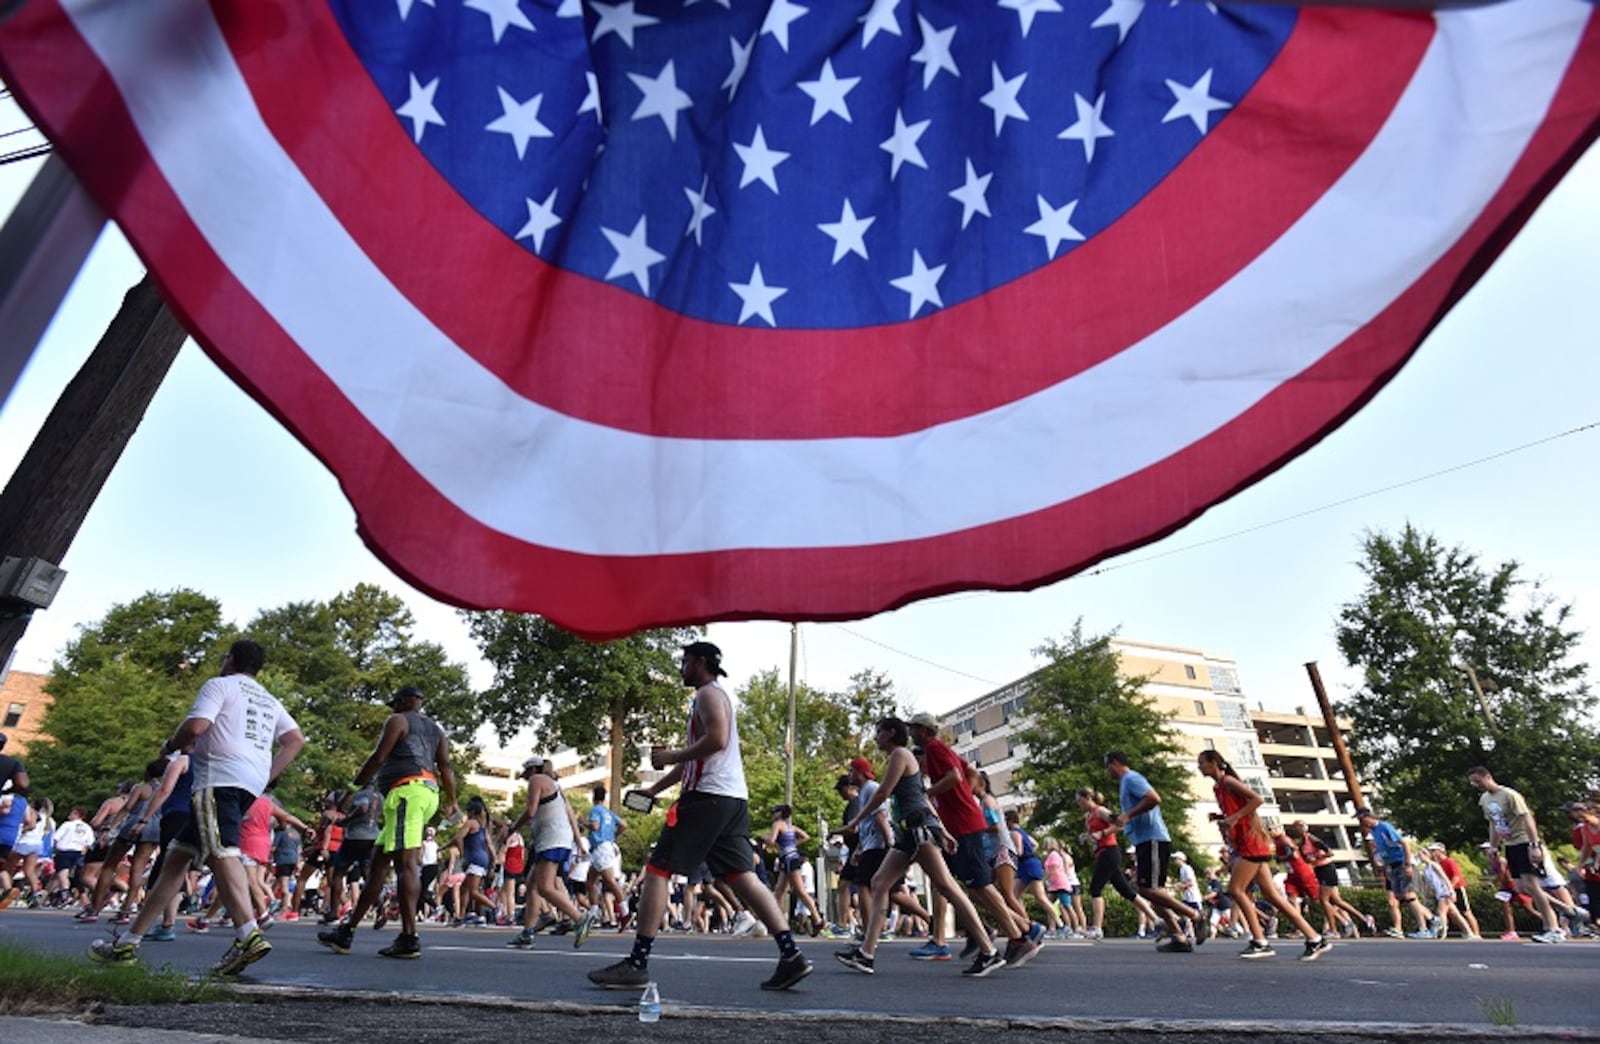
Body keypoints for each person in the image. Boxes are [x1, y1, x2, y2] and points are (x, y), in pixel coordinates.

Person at [588, 641, 812, 991]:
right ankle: (791, 955)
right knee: (743, 876)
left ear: (701, 663)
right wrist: (655, 788)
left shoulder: (708, 694)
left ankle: (637, 962)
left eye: (686, 661)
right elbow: (702, 755)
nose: (681, 667)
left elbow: (717, 740)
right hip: (732, 800)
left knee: (658, 868)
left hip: (707, 798)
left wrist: (672, 755)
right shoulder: (714, 695)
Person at [89, 640, 305, 976]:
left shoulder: (220, 685)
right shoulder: (269, 700)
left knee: (222, 850)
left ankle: (248, 934)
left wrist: (170, 747)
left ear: (230, 659)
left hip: (219, 778)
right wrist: (267, 776)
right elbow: (295, 740)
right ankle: (128, 943)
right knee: (176, 859)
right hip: (249, 783)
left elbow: (195, 728)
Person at [834, 717, 1008, 977]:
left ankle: (988, 950)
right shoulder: (903, 756)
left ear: (891, 733)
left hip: (917, 829)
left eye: (879, 732)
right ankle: (866, 954)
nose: (876, 738)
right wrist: (945, 831)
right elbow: (921, 796)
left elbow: (883, 793)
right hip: (910, 830)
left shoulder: (901, 754)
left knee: (947, 886)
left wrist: (855, 823)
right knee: (880, 882)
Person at [317, 685, 457, 958]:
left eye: (395, 703)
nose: (393, 708)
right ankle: (347, 932)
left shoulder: (398, 720)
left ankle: (409, 937)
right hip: (424, 793)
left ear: (406, 702)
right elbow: (446, 766)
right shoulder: (436, 730)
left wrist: (350, 791)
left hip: (408, 793)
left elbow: (378, 757)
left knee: (406, 865)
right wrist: (451, 801)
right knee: (379, 863)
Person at [906, 712, 1037, 966]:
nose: (911, 734)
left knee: (980, 887)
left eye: (913, 729)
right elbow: (969, 772)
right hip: (963, 825)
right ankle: (1014, 931)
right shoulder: (943, 750)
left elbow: (955, 776)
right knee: (970, 887)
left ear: (923, 730)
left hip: (965, 826)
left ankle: (1019, 935)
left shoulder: (934, 748)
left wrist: (930, 792)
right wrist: (961, 794)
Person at [1198, 750, 1330, 961]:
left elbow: (1256, 799)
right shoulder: (1218, 787)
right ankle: (1314, 938)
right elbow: (1240, 809)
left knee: (1236, 890)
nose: (1199, 767)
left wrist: (1233, 818)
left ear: (1214, 763)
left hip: (1251, 844)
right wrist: (1222, 817)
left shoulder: (1228, 781)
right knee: (1272, 897)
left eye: (1202, 762)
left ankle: (1260, 941)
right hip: (1247, 843)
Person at [1103, 751, 1208, 948]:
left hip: (1152, 840)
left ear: (1115, 763)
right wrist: (1119, 820)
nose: (1106, 771)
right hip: (1144, 840)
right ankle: (1179, 937)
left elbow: (1154, 798)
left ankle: (1195, 915)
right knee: (1150, 890)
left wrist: (1128, 815)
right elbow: (1131, 816)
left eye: (1107, 766)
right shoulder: (1125, 783)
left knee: (1146, 889)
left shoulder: (1131, 778)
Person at [504, 755, 596, 949]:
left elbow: (530, 811)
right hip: (557, 838)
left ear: (533, 770)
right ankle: (528, 933)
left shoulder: (538, 780)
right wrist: (578, 842)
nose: (526, 779)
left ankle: (580, 918)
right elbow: (570, 815)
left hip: (551, 838)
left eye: (527, 774)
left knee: (545, 887)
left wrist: (513, 828)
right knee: (532, 884)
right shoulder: (555, 785)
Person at [1466, 766, 1564, 943]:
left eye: (1478, 781)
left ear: (1488, 777)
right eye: (1473, 783)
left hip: (1524, 841)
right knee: (1520, 887)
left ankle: (1553, 928)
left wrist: (1535, 845)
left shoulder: (1510, 795)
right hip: (1509, 844)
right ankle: (1568, 910)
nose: (1476, 785)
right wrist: (1494, 847)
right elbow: (1494, 824)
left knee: (1532, 885)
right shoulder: (1485, 800)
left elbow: (1527, 818)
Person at [1075, 786, 1157, 940]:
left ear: (1087, 798)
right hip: (1102, 853)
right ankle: (1156, 920)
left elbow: (1121, 823)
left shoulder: (1100, 811)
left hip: (1110, 852)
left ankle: (1097, 928)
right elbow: (1094, 835)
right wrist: (1087, 837)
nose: (1079, 804)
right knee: (1126, 891)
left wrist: (1103, 833)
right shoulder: (1089, 816)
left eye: (1080, 801)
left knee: (1095, 888)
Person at [1353, 807, 1437, 939]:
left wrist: (1408, 864)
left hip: (1401, 862)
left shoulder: (1384, 827)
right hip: (1392, 865)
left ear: (1368, 817)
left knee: (1409, 895)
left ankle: (1425, 926)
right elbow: (1384, 851)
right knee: (1399, 897)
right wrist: (1386, 866)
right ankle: (1425, 921)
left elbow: (1404, 843)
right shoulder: (1374, 832)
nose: (1361, 822)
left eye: (1362, 819)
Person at [1287, 820, 1369, 938]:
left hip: (1327, 868)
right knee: (1336, 901)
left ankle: (1333, 930)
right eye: (1294, 828)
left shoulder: (1313, 839)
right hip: (1319, 870)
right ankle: (1364, 919)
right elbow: (1305, 859)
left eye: (1298, 827)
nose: (1296, 830)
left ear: (1304, 828)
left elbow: (1329, 852)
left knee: (1324, 901)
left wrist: (1316, 857)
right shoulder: (1301, 844)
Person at [766, 804, 824, 935]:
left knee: (800, 891)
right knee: (779, 891)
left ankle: (817, 919)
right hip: (789, 858)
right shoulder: (791, 827)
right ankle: (776, 921)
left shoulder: (778, 824)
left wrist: (764, 838)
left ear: (779, 813)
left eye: (773, 812)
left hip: (788, 859)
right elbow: (806, 836)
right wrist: (793, 845)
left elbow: (771, 841)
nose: (772, 815)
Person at [585, 784, 630, 928]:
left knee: (609, 880)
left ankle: (625, 912)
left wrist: (581, 822)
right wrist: (614, 836)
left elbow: (595, 826)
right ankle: (593, 912)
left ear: (593, 797)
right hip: (606, 846)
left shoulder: (595, 810)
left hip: (600, 847)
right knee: (590, 881)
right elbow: (623, 824)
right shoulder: (608, 812)